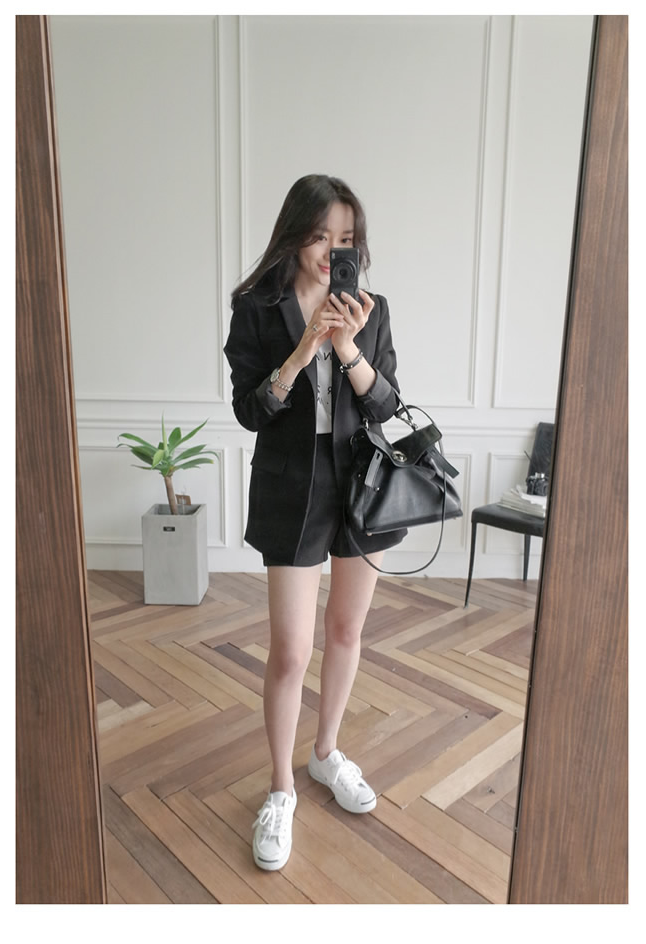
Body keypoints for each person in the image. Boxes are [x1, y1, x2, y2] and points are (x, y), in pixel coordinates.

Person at [224, 174, 406, 871]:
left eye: (347, 239)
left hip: (363, 485)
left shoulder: (373, 310)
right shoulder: (257, 307)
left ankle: (326, 753)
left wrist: (350, 347)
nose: (333, 251)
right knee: (291, 651)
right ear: (296, 234)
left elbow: (387, 406)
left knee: (346, 631)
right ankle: (280, 789)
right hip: (292, 489)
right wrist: (305, 348)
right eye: (321, 235)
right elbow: (251, 410)